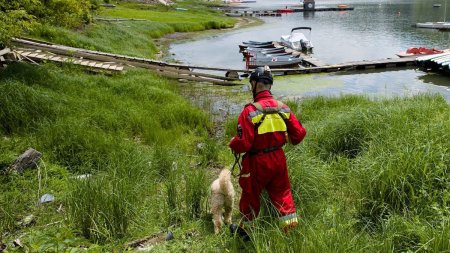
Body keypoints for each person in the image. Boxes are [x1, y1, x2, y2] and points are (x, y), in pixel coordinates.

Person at [229, 65, 306, 239]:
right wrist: (286, 138)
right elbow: (299, 134)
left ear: (254, 85)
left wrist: (233, 144)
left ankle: (247, 233)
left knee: (250, 196)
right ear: (270, 86)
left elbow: (243, 143)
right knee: (283, 194)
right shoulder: (283, 108)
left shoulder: (249, 111)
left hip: (256, 162)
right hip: (279, 159)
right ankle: (291, 231)